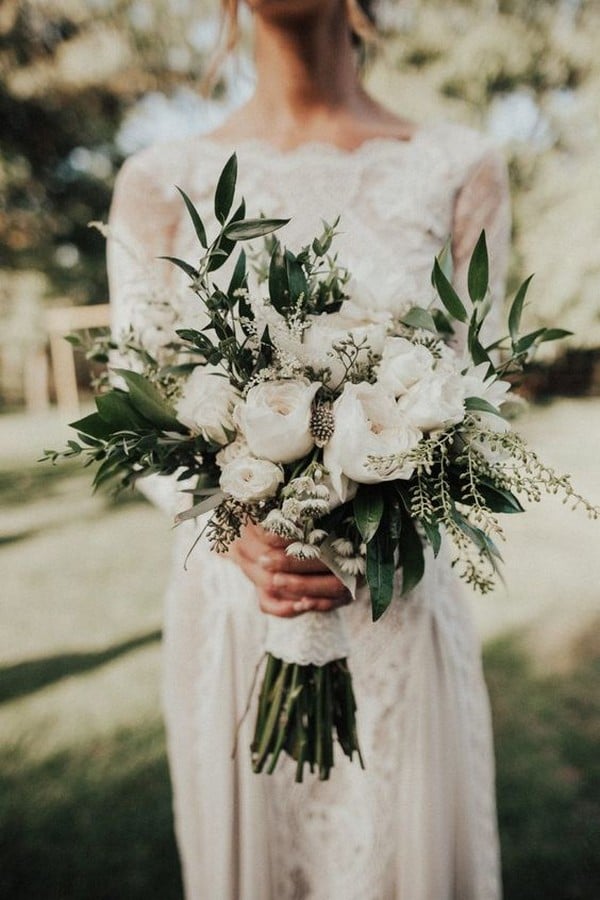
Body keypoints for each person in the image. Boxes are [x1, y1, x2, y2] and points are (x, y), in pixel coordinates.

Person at [107, 1, 510, 897]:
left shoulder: (458, 166)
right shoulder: (157, 178)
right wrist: (229, 522)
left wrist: (390, 501)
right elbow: (135, 405)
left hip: (397, 603)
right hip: (238, 602)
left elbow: (475, 392)